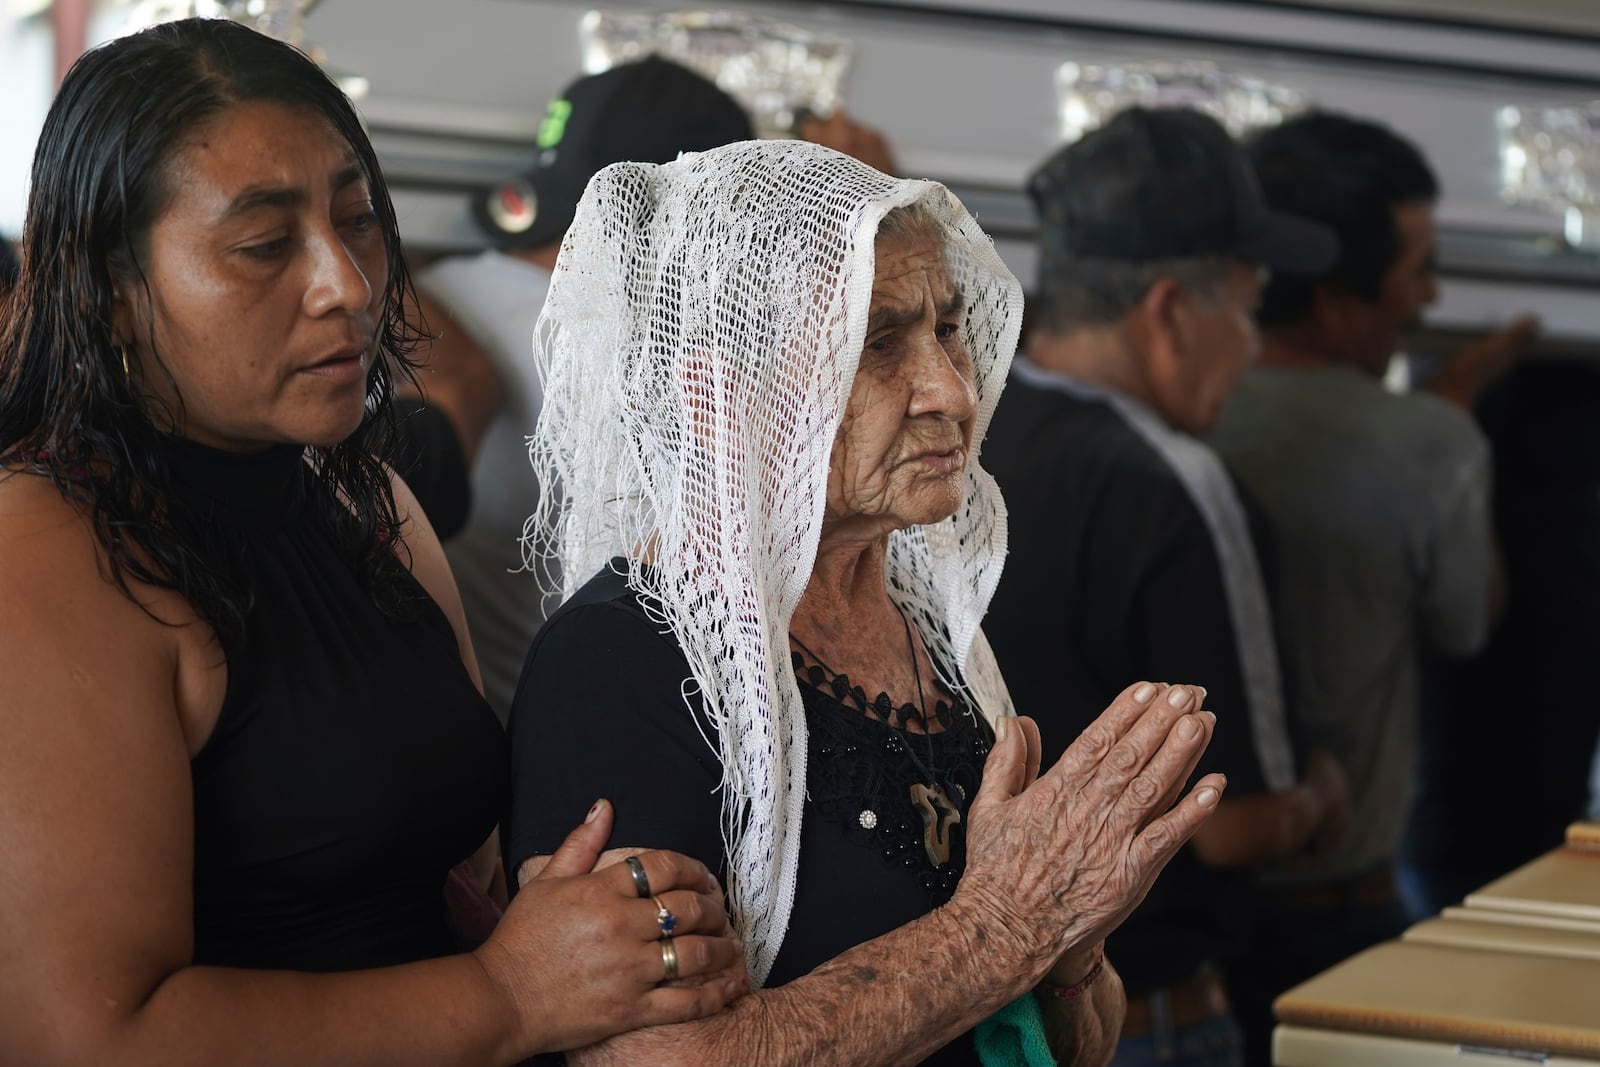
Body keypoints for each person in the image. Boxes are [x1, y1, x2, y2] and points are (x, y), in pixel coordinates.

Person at [0, 19, 745, 1065]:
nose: (346, 284)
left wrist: (572, 919)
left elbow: (433, 869)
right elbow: (82, 1037)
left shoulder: (365, 499)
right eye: (265, 245)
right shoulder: (47, 551)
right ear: (112, 290)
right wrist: (509, 990)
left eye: (358, 220)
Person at [506, 137, 1229, 1066]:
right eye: (878, 343)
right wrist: (1009, 922)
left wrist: (1071, 938)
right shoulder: (621, 664)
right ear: (721, 391)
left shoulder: (940, 635)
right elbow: (650, 1059)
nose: (953, 390)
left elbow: (1077, 1044)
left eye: (949, 329)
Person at [980, 107, 1349, 1067]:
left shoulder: (957, 434)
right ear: (1173, 311)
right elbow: (1232, 825)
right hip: (1137, 1019)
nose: (1256, 345)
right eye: (1249, 305)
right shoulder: (1173, 482)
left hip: (975, 1014)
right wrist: (1319, 798)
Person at [1205, 110, 1528, 1066]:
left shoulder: (1171, 415)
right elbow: (1470, 620)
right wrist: (1451, 422)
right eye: (1417, 269)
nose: (1431, 297)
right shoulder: (1427, 444)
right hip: (1339, 905)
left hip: (1170, 933)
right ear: (1341, 300)